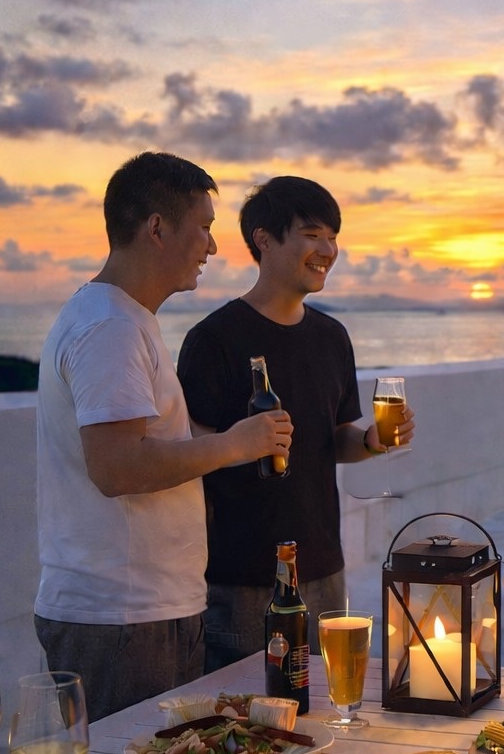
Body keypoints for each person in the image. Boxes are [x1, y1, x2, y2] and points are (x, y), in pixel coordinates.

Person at [34, 152, 293, 722]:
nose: (212, 246)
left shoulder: (123, 319)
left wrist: (227, 434)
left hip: (140, 614)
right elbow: (118, 468)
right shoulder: (111, 327)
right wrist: (237, 444)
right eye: (203, 227)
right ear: (157, 228)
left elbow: (148, 438)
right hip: (123, 618)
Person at [177, 176, 415, 672]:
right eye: (312, 234)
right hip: (243, 577)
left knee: (330, 708)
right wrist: (239, 443)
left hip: (324, 564)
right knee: (250, 721)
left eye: (333, 237)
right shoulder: (213, 340)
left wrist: (372, 441)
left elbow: (335, 440)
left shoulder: (332, 336)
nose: (327, 249)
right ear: (264, 239)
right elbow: (191, 450)